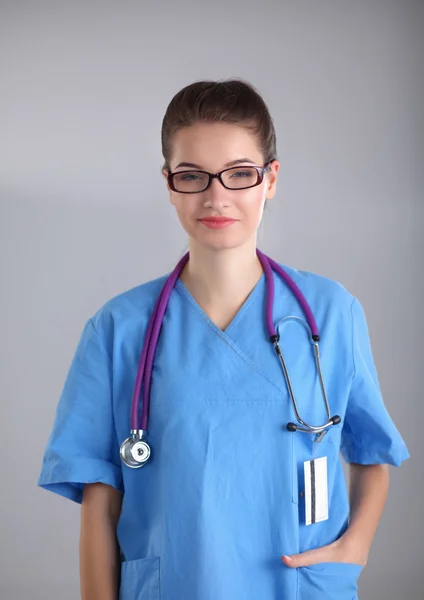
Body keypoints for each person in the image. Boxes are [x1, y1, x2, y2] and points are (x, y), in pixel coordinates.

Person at [37, 78, 409, 600]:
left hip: (298, 587)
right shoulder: (119, 329)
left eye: (239, 174)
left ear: (270, 179)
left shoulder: (332, 313)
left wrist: (357, 547)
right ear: (169, 183)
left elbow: (372, 455)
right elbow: (101, 503)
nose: (216, 196)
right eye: (193, 175)